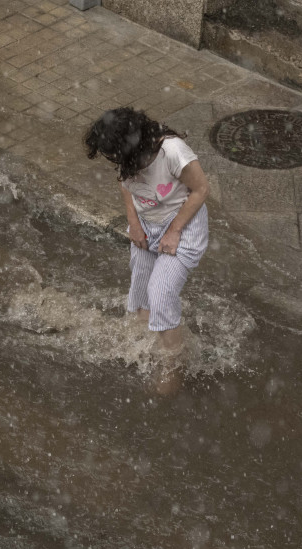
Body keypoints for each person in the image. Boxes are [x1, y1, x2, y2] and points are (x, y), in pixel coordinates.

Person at [84, 107, 209, 387]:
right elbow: (125, 182)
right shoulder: (126, 154)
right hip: (146, 225)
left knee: (160, 293)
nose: (115, 161)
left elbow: (201, 189)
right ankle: (153, 342)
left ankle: (173, 369)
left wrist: (174, 231)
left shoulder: (173, 152)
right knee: (141, 293)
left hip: (182, 227)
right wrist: (134, 222)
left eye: (116, 155)